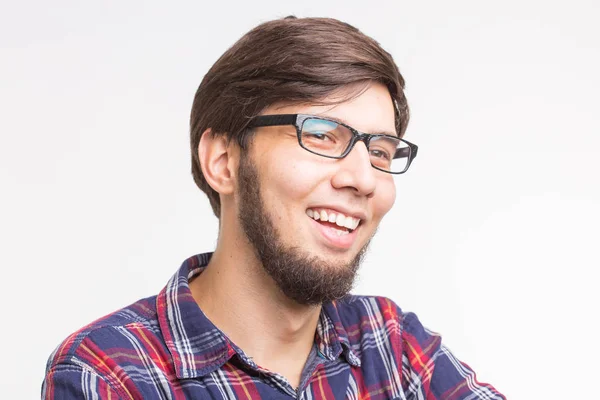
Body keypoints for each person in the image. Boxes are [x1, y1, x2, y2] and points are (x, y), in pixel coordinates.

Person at [42, 16, 505, 399]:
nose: (364, 179)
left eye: (380, 151)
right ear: (222, 162)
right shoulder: (111, 371)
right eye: (322, 135)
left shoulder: (394, 346)